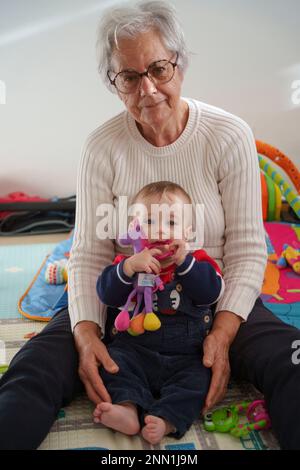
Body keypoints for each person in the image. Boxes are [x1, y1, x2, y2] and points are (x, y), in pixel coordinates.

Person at [0, 0, 300, 450]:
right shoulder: (101, 147)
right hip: (126, 300)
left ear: (180, 64)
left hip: (211, 296)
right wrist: (85, 333)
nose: (149, 89)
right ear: (114, 83)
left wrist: (222, 332)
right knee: (33, 368)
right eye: (130, 76)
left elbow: (247, 249)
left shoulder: (228, 133)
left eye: (159, 68)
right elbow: (89, 256)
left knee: (291, 361)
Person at [94, 181, 224, 444]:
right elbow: (106, 294)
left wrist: (185, 263)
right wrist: (129, 267)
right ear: (134, 228)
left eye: (172, 224)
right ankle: (128, 410)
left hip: (186, 356)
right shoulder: (127, 264)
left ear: (188, 233)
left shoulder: (197, 262)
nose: (161, 230)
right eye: (150, 221)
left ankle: (166, 419)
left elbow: (212, 293)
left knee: (199, 380)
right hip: (135, 350)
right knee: (113, 364)